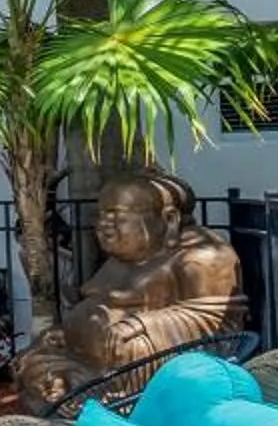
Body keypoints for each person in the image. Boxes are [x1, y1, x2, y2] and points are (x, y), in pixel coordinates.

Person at [14, 171, 245, 408]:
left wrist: (140, 325)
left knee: (133, 350)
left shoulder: (203, 257)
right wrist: (69, 331)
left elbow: (219, 326)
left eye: (117, 216)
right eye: (102, 215)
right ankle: (69, 386)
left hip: (142, 366)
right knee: (34, 359)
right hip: (92, 358)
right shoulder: (131, 255)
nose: (104, 225)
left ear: (170, 219)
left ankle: (87, 393)